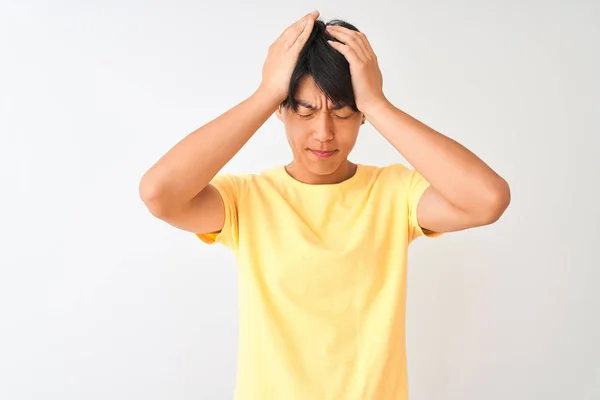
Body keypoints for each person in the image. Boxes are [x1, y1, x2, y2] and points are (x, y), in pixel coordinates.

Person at [139, 10, 510, 400]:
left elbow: (487, 200)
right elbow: (159, 193)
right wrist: (266, 93)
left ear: (361, 115)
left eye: (343, 112)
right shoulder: (246, 200)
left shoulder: (393, 192)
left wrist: (379, 104)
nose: (324, 133)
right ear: (282, 111)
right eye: (305, 110)